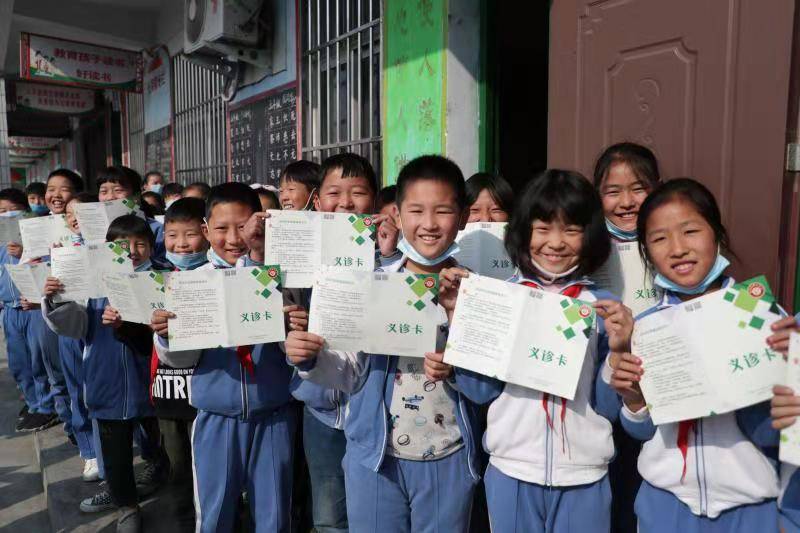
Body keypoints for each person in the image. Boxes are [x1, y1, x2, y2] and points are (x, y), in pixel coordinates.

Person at [287, 155, 484, 533]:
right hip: (375, 457)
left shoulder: (476, 291)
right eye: (416, 210)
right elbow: (348, 371)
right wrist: (310, 360)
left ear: (461, 217)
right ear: (396, 214)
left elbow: (486, 387)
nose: (428, 224)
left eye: (442, 211)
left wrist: (454, 363)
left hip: (449, 456)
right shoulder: (369, 281)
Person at [444, 169, 628, 532]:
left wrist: (619, 350)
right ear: (522, 232)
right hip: (512, 470)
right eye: (543, 229)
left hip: (585, 475)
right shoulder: (503, 298)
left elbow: (608, 407)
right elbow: (481, 391)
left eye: (571, 230)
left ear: (590, 236)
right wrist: (459, 318)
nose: (556, 243)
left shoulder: (603, 308)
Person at [608, 178, 792, 532]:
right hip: (665, 507)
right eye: (659, 239)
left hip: (750, 509)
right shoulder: (646, 329)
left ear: (717, 235)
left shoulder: (762, 317)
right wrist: (634, 400)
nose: (677, 249)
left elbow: (785, 431)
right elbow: (643, 431)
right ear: (645, 251)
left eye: (690, 231)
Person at [151, 183, 302, 533]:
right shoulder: (192, 284)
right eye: (221, 228)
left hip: (274, 417)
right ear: (206, 230)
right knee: (215, 515)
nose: (234, 238)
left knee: (275, 516)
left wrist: (284, 318)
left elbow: (297, 350)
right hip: (215, 418)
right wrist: (168, 337)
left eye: (243, 226)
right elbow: (180, 359)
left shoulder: (281, 277)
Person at [42, 215, 170, 532]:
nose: (133, 252)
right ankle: (126, 505)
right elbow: (73, 325)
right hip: (106, 383)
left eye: (141, 243)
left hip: (153, 383)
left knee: (158, 440)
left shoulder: (163, 278)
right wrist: (55, 297)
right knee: (115, 455)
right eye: (123, 246)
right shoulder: (93, 284)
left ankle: (156, 472)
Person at [592, 141, 662, 532]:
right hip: (602, 388)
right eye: (612, 191)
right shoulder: (586, 246)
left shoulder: (673, 243)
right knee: (613, 489)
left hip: (659, 386)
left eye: (638, 188)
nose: (626, 201)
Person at [151, 197, 209, 530]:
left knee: (205, 468)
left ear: (205, 233)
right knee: (177, 468)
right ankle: (183, 522)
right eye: (173, 235)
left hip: (203, 392)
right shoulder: (157, 278)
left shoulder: (216, 276)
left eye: (189, 235)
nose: (181, 244)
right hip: (168, 391)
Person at [0, 187, 58, 432]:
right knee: (19, 363)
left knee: (39, 359)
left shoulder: (41, 236)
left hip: (34, 307)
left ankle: (47, 407)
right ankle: (34, 403)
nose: (8, 217)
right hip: (10, 310)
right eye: (2, 212)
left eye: (13, 211)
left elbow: (53, 266)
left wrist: (26, 252)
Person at [60, 191, 102, 481]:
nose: (75, 219)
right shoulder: (58, 248)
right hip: (69, 327)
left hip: (100, 325)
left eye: (82, 212)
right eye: (70, 214)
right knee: (76, 389)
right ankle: (89, 452)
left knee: (100, 389)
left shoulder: (108, 246)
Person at [96, 166, 166, 261]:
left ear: (136, 195)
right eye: (104, 192)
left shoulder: (155, 228)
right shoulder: (91, 229)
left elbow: (164, 262)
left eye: (118, 190)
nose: (110, 197)